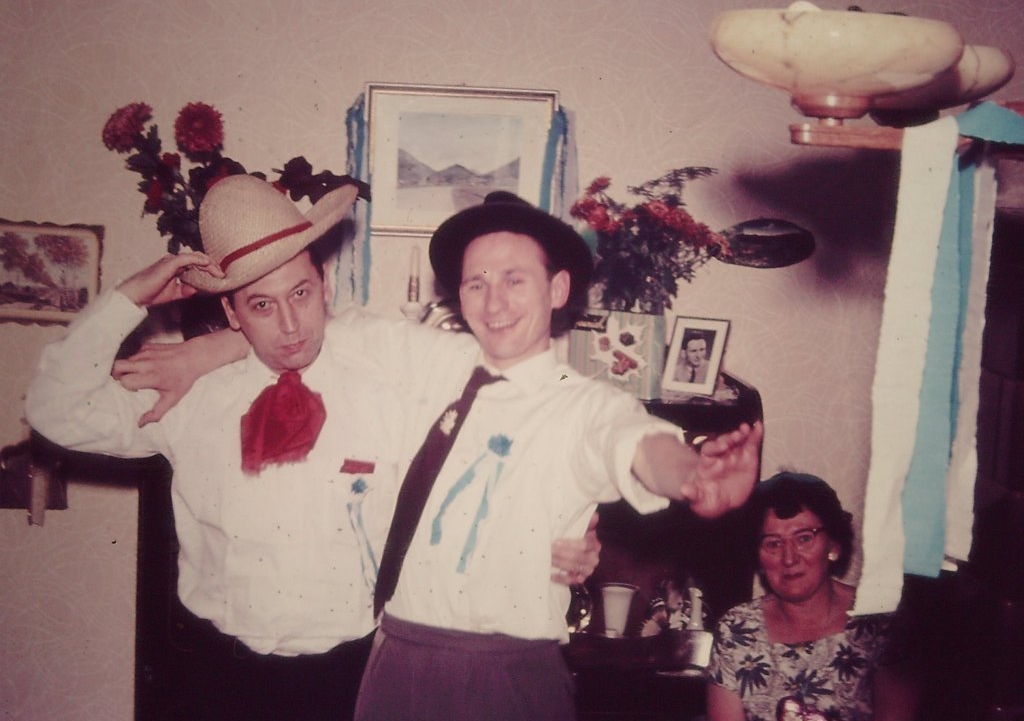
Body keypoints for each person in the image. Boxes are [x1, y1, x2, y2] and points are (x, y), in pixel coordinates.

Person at [24, 176, 599, 721]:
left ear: (325, 284)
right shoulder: (189, 393)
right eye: (261, 306)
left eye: (300, 293)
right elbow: (55, 412)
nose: (290, 326)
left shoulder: (392, 381)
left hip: (349, 678)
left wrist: (570, 528)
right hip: (213, 675)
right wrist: (127, 300)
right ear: (230, 312)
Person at [348, 192, 763, 720]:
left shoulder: (583, 402)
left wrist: (692, 474)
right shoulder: (430, 363)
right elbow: (338, 333)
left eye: (514, 280)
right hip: (396, 662)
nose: (493, 303)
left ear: (558, 289)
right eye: (476, 283)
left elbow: (634, 440)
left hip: (505, 678)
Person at [706, 472, 920, 721]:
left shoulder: (879, 622)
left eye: (804, 538)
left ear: (833, 545)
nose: (789, 558)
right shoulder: (736, 630)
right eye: (773, 544)